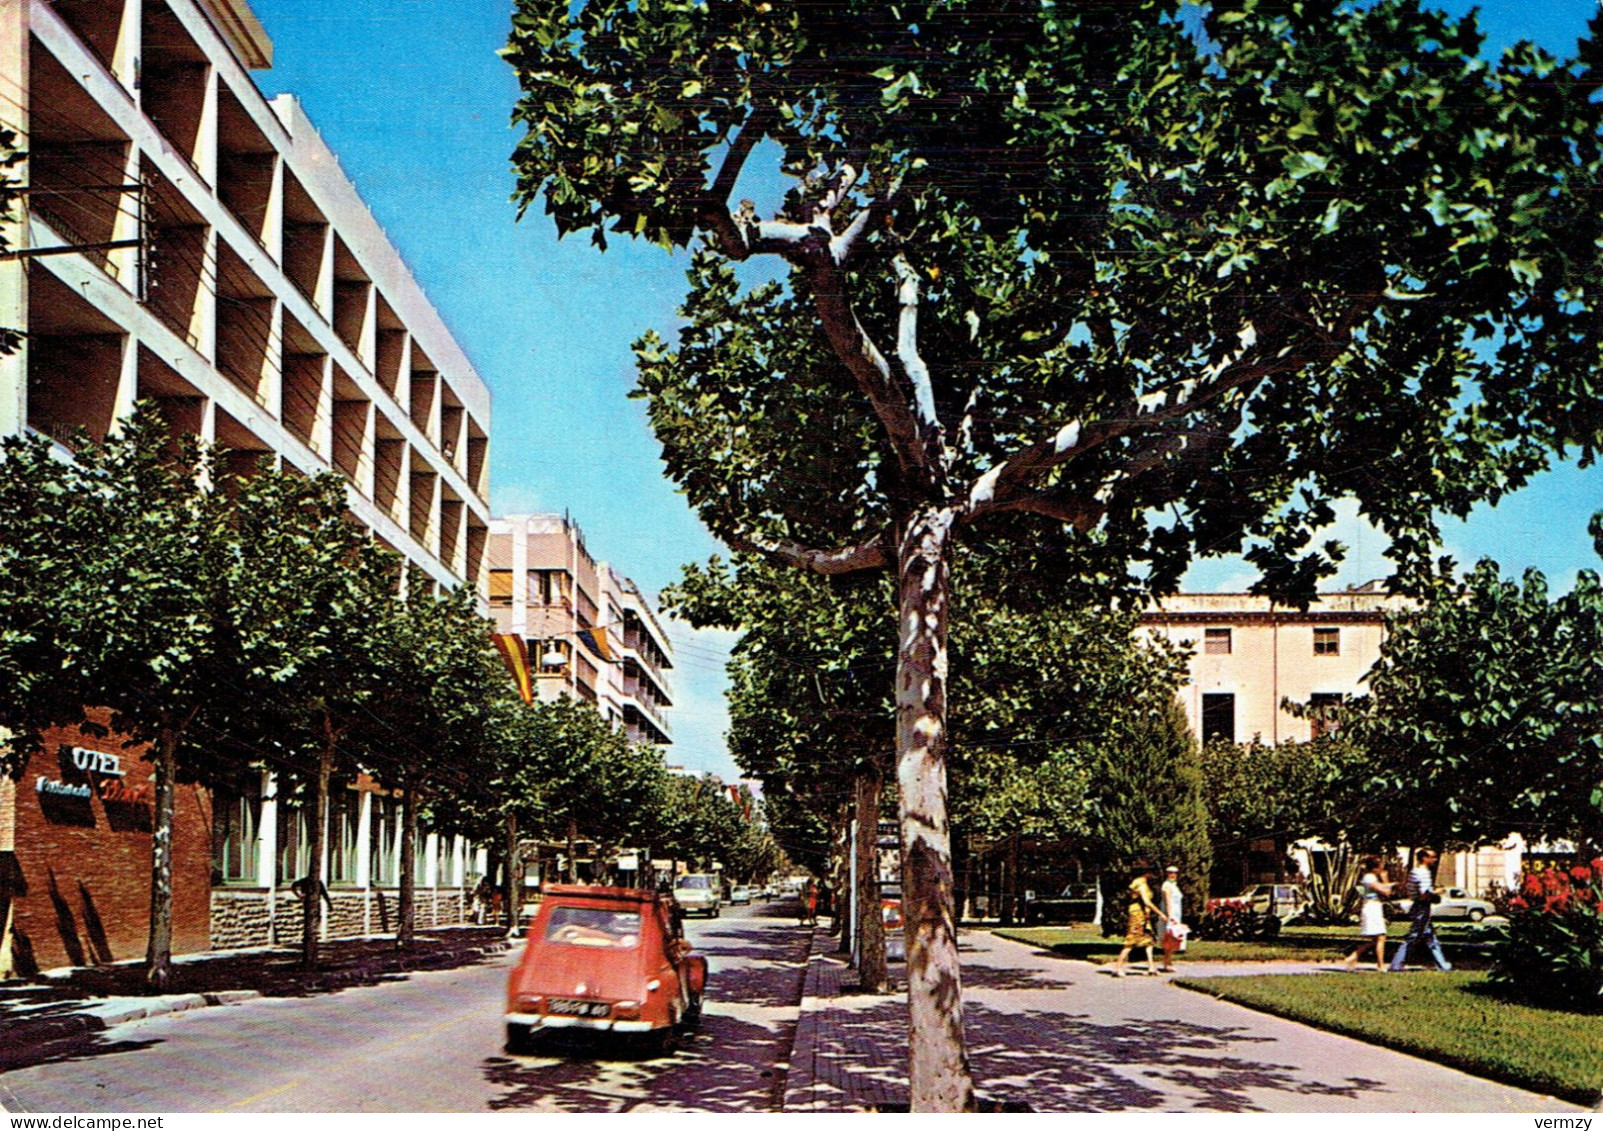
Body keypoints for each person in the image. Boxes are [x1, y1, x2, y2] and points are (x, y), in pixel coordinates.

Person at [1389, 847, 1453, 972]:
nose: (1435, 859)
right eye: (1432, 857)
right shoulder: (1422, 873)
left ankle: (1442, 965)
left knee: (1430, 937)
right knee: (1413, 937)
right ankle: (1396, 964)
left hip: (1420, 906)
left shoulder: (1416, 871)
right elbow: (1424, 894)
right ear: (1424, 858)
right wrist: (1437, 892)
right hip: (1421, 908)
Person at [1112, 861, 1167, 977]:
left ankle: (1151, 967)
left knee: (1149, 940)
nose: (1153, 876)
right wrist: (1161, 914)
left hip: (1143, 914)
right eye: (1152, 873)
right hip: (1137, 914)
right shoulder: (1141, 884)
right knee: (1131, 941)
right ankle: (1117, 967)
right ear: (1147, 873)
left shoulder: (1144, 883)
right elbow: (1146, 901)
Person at [1341, 854, 1395, 971]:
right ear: (1375, 867)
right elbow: (1386, 892)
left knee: (1377, 938)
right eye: (1380, 866)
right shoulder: (1369, 878)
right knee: (1380, 937)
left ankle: (1355, 955)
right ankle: (1380, 965)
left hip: (1374, 906)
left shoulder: (1371, 877)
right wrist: (1385, 879)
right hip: (1372, 907)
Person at [1158, 865, 1187, 972]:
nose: (1173, 875)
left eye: (1175, 873)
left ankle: (1167, 961)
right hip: (1171, 915)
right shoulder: (1166, 885)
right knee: (1170, 939)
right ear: (1166, 874)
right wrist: (1171, 917)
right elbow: (1167, 902)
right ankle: (1167, 963)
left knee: (1173, 939)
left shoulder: (1174, 886)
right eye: (1170, 873)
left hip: (1176, 914)